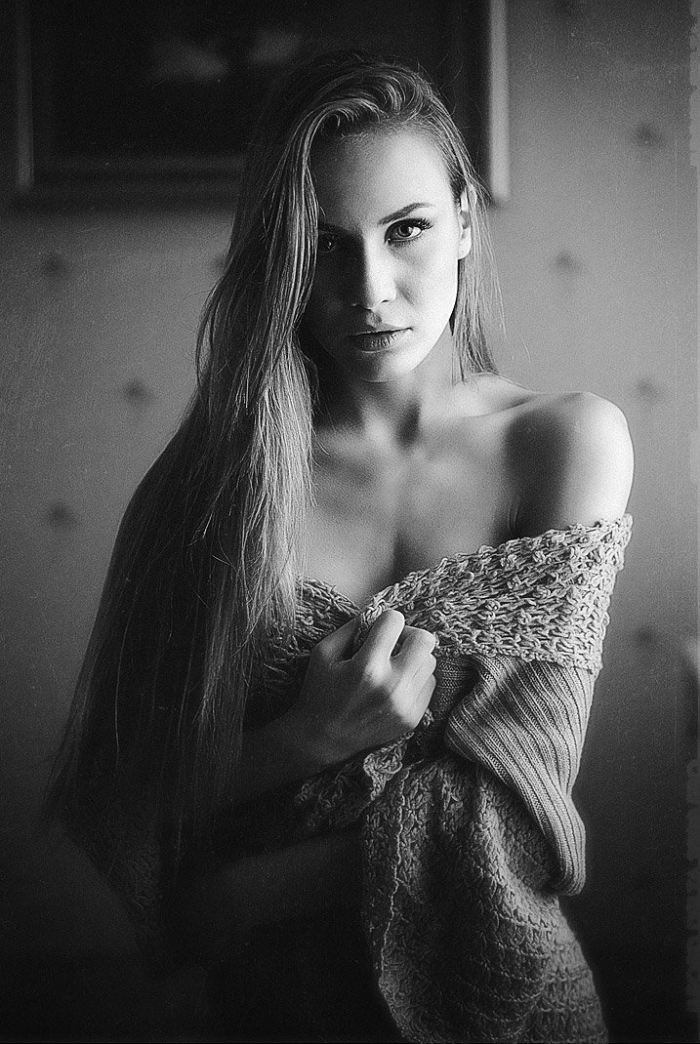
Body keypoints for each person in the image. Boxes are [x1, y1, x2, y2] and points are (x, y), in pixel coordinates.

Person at [47, 51, 634, 1043]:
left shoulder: (564, 443)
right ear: (278, 256)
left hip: (510, 1003)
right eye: (322, 244)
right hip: (273, 1012)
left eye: (405, 229)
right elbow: (123, 791)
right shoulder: (213, 485)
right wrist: (307, 738)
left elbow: (520, 815)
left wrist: (251, 889)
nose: (370, 290)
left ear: (462, 221)